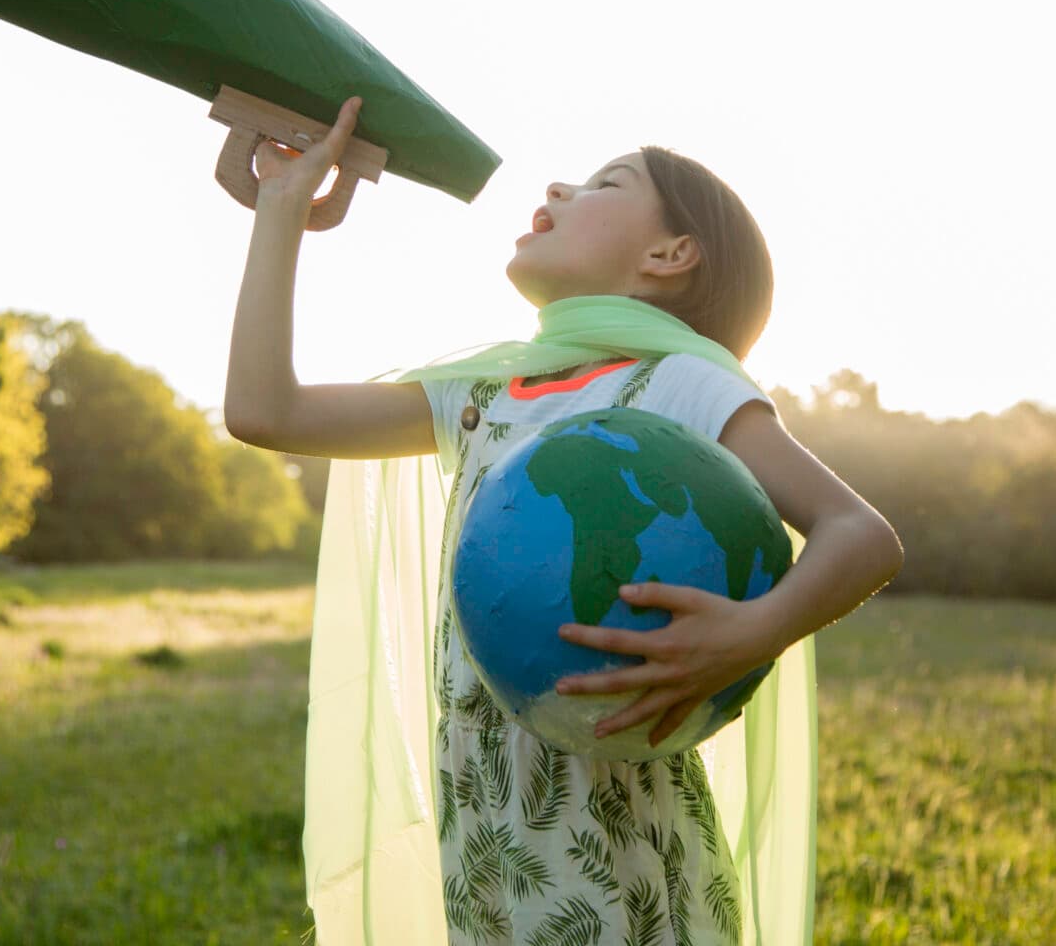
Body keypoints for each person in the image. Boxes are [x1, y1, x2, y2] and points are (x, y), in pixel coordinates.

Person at [225, 96, 903, 945]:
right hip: (482, 805)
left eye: (605, 183)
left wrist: (751, 632)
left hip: (612, 813)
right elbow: (265, 411)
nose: (557, 186)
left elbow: (860, 533)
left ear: (671, 253)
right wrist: (282, 208)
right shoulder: (486, 395)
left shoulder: (684, 385)